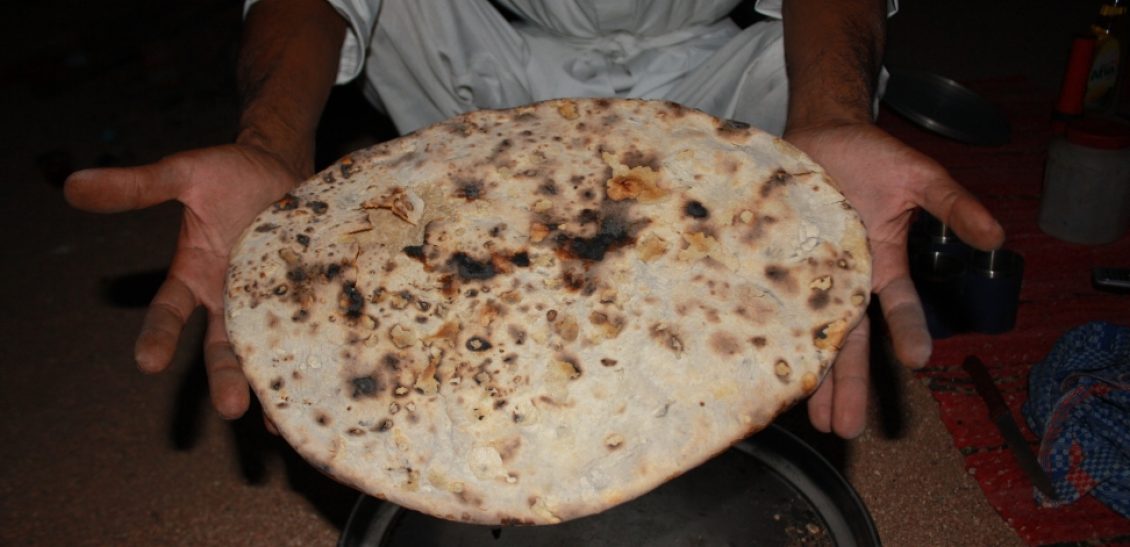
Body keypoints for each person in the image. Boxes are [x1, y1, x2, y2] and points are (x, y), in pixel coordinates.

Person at [63, 0, 1004, 439]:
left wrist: (834, 118)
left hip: (707, 63)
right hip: (482, 47)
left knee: (794, 228)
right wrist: (270, 142)